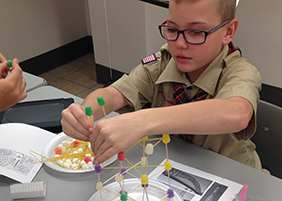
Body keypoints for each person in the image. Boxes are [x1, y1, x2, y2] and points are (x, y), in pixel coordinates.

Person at [61, 0, 262, 170]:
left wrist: (143, 121)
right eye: (173, 29)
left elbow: (237, 114)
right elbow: (114, 94)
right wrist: (86, 111)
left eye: (196, 32)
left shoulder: (240, 71)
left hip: (231, 175)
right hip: (174, 169)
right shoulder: (162, 63)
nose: (180, 44)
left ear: (228, 31)